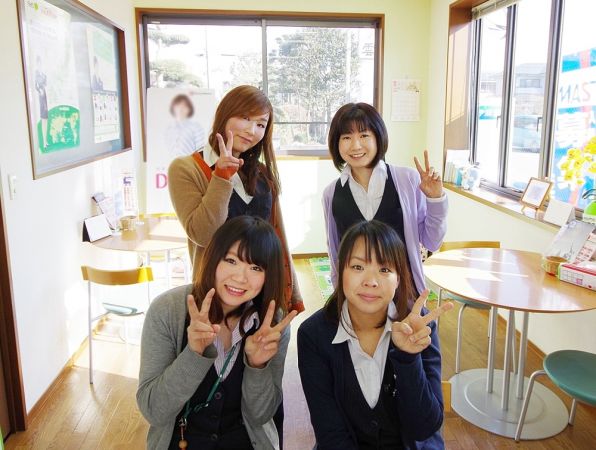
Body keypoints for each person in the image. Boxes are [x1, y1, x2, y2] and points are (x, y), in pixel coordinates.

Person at [137, 216, 298, 450]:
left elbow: (261, 415)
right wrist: (193, 353)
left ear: (268, 276)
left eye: (255, 268)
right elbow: (153, 411)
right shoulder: (167, 310)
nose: (240, 277)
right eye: (231, 261)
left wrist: (257, 366)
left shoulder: (272, 324)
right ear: (213, 258)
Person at [298, 220, 453, 449]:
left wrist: (408, 358)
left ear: (398, 278)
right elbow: (330, 433)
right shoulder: (313, 335)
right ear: (340, 271)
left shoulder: (418, 326)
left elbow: (424, 428)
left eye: (384, 270)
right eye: (357, 267)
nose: (370, 282)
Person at [168, 85, 304, 313]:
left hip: (263, 289)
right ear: (224, 114)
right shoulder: (185, 168)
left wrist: (292, 292)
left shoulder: (261, 172)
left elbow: (277, 233)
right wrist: (221, 177)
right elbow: (202, 234)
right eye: (245, 118)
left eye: (261, 124)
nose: (252, 130)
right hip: (218, 295)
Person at [322, 103, 448, 294]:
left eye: (364, 135)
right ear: (336, 143)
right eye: (346, 137)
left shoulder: (408, 180)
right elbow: (335, 252)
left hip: (404, 293)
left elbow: (432, 242)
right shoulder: (331, 193)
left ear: (378, 138)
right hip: (358, 296)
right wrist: (338, 295)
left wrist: (436, 199)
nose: (355, 145)